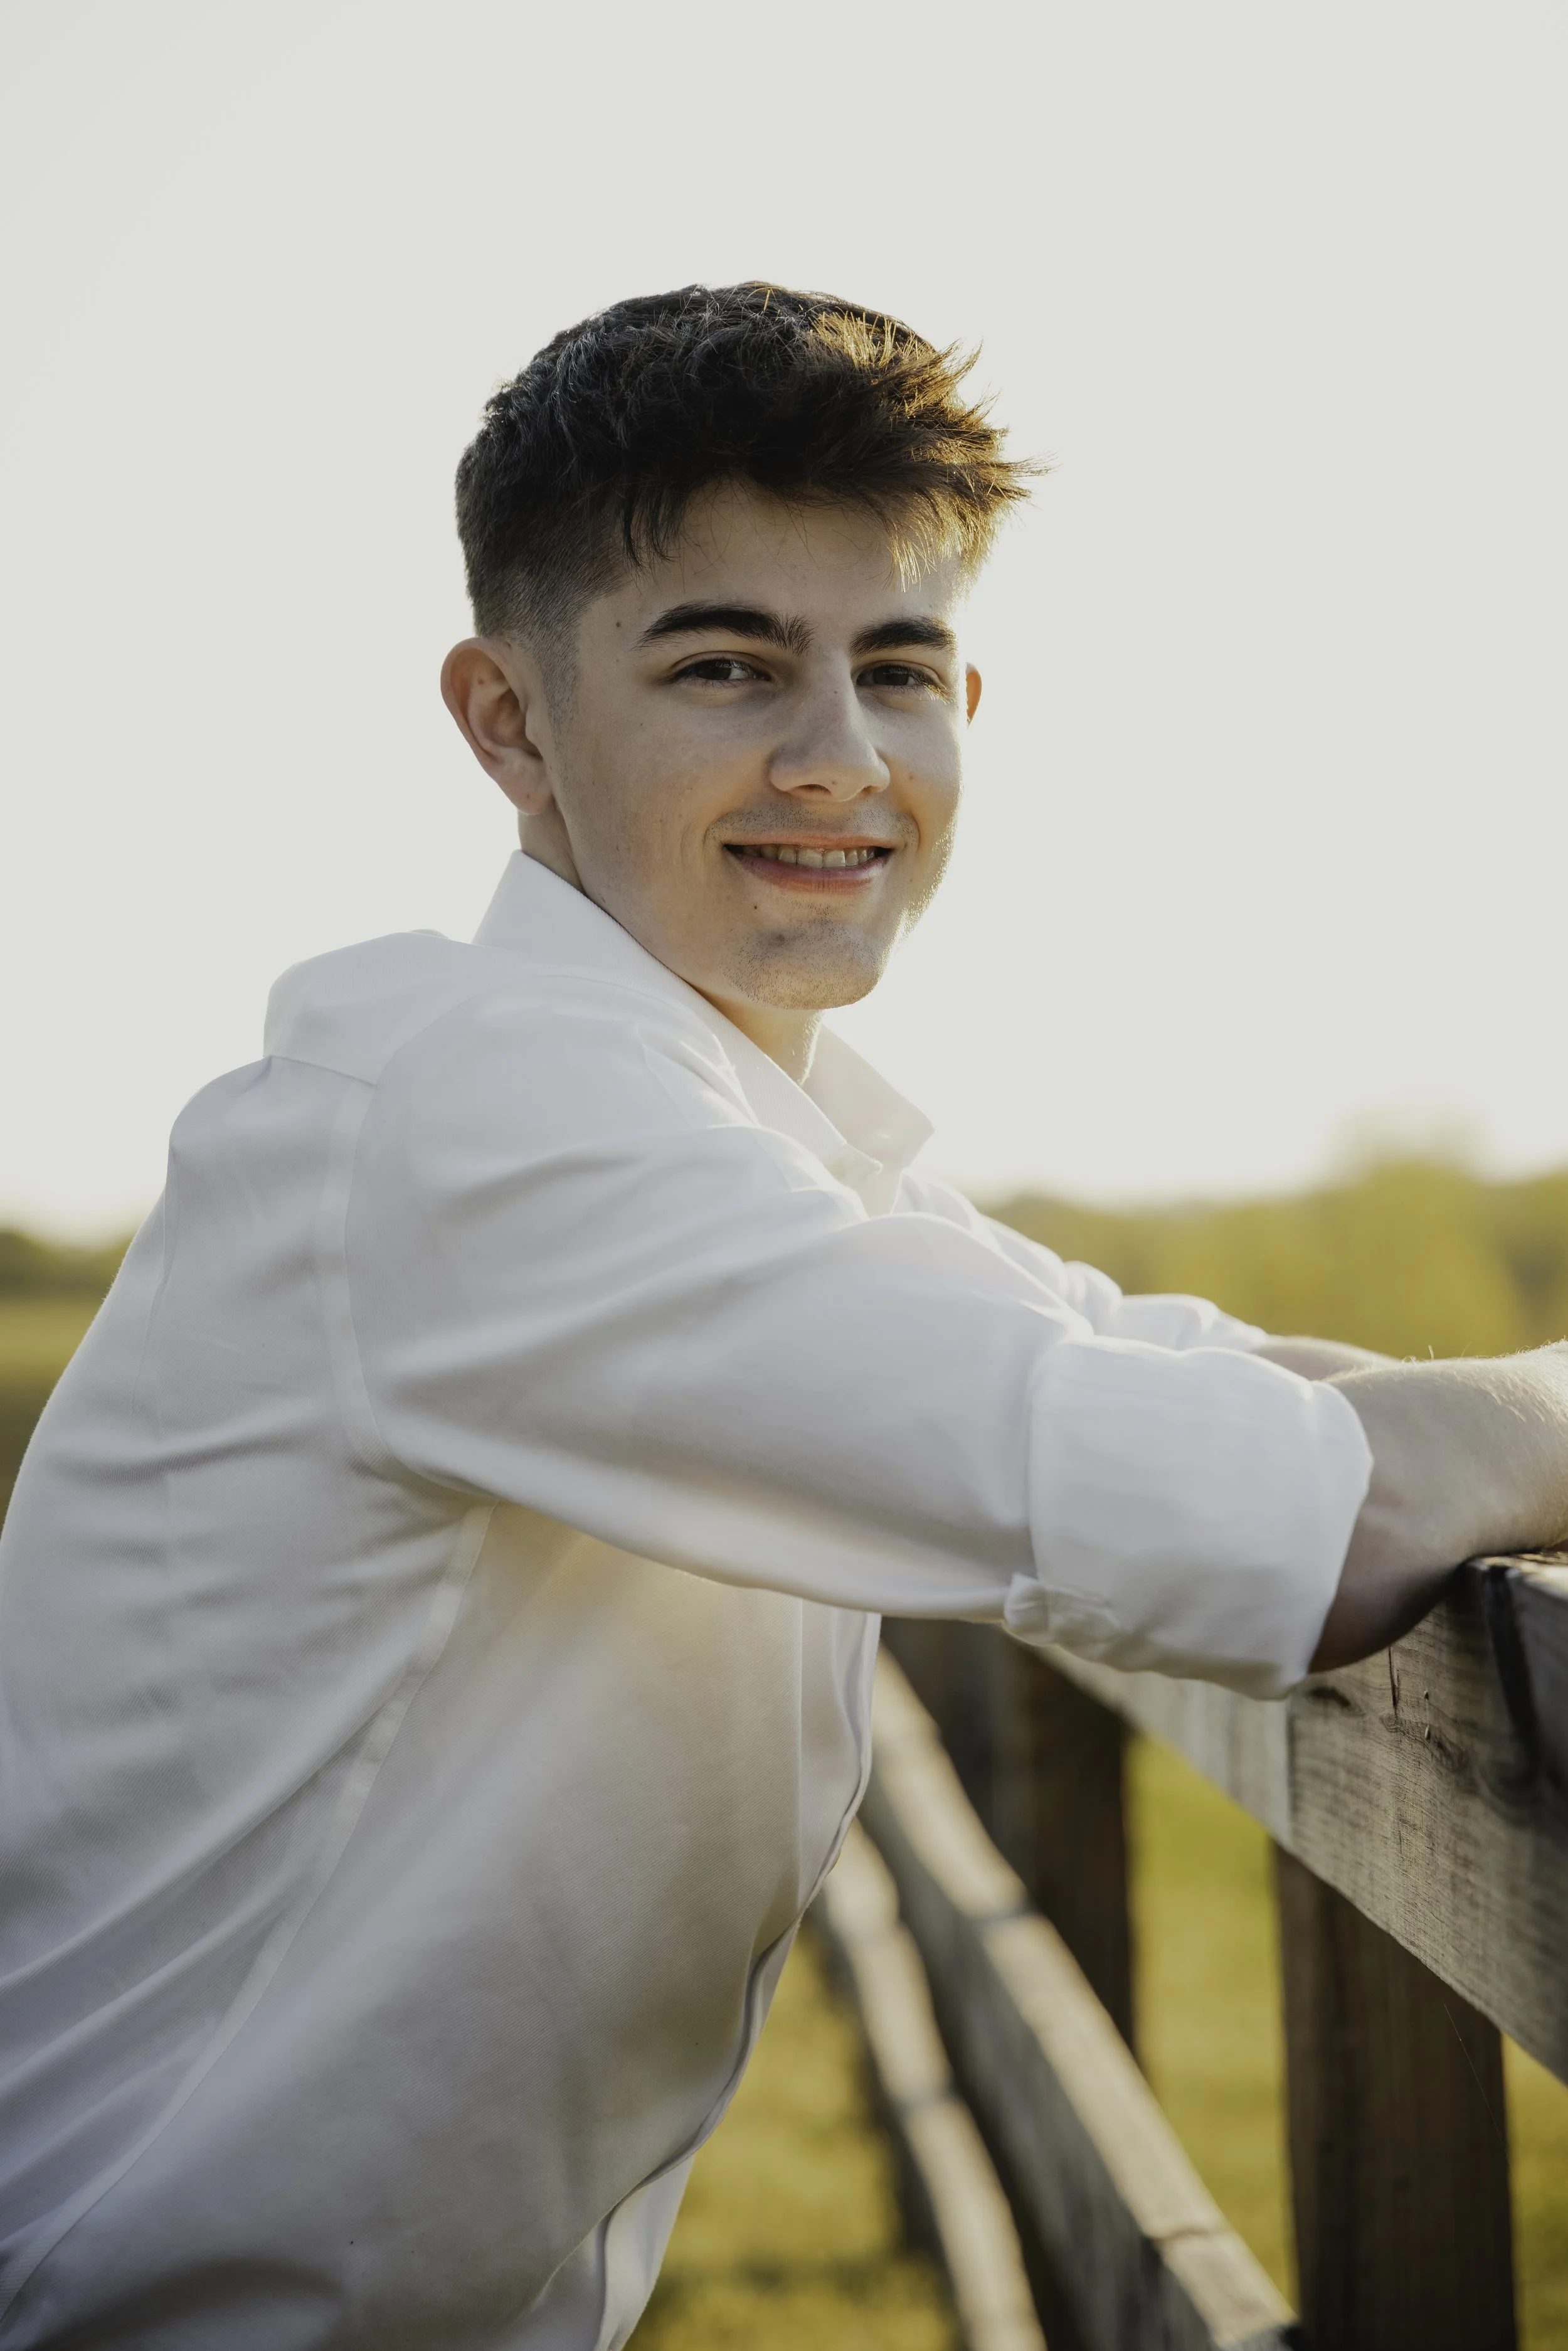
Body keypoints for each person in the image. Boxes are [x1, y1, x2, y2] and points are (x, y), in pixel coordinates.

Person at [2, 282, 1565, 2351]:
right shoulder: (477, 1116)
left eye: (894, 668)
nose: (837, 759)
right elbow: (1274, 1511)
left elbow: (1153, 1359)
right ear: (508, 720)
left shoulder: (712, 1124)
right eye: (727, 663)